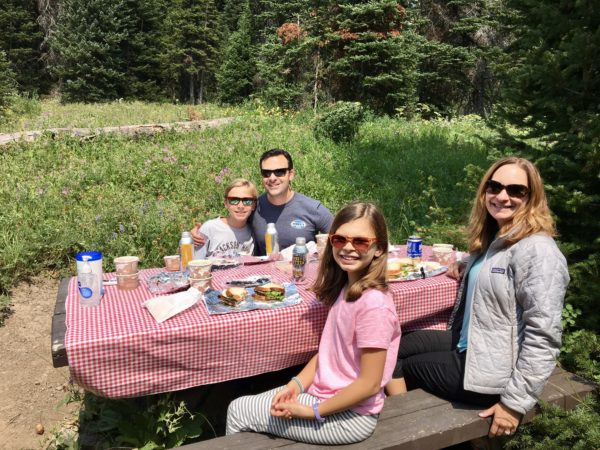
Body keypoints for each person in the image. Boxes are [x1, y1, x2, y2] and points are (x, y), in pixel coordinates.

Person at [386, 157, 569, 439]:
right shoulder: (498, 238)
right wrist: (467, 266)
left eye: (516, 190)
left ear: (532, 198)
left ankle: (405, 427)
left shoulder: (539, 252)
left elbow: (544, 336)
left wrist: (514, 404)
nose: (502, 196)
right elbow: (495, 272)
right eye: (494, 187)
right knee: (392, 345)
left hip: (493, 373)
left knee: (403, 367)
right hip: (470, 341)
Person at [226, 202, 401, 445]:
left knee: (238, 410)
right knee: (266, 402)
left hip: (350, 417)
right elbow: (329, 353)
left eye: (360, 241)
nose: (348, 248)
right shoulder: (349, 287)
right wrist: (295, 385)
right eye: (340, 239)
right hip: (327, 398)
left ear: (379, 249)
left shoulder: (374, 305)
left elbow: (370, 383)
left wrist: (312, 411)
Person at [192, 149, 333, 255]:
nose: (272, 177)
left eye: (279, 172)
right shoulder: (254, 207)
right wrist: (199, 233)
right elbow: (232, 221)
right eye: (266, 173)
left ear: (291, 175)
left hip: (302, 280)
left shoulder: (313, 209)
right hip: (264, 287)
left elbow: (340, 239)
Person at [193, 178, 257, 259]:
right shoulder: (210, 228)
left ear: (254, 205)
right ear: (226, 203)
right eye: (234, 200)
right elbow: (195, 263)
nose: (240, 206)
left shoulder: (254, 231)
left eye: (247, 201)